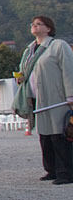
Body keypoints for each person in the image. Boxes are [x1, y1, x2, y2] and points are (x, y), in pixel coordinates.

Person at [13, 16, 73, 185]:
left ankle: (66, 172)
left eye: (39, 24)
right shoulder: (29, 50)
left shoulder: (58, 46)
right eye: (33, 24)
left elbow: (69, 70)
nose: (34, 26)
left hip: (56, 97)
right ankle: (51, 169)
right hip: (37, 98)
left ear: (48, 29)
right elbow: (25, 70)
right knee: (45, 135)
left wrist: (71, 95)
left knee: (59, 135)